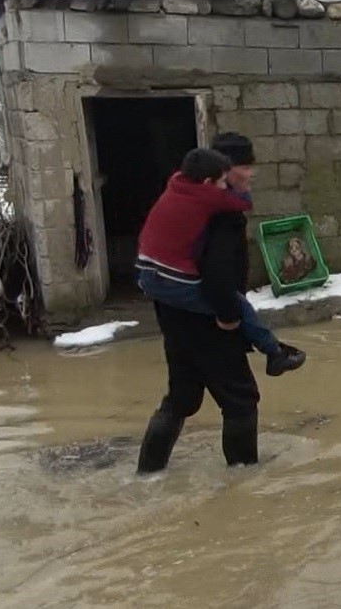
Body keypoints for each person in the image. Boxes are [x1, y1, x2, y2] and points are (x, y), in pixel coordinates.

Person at [136, 133, 271, 474]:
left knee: (182, 396)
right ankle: (243, 483)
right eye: (245, 166)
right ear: (225, 172)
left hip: (173, 312)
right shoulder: (222, 214)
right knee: (241, 399)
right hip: (209, 316)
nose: (250, 174)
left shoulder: (184, 194)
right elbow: (218, 274)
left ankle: (148, 473)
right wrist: (228, 317)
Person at [134, 147, 305, 377]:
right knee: (235, 306)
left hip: (146, 272)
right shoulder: (207, 196)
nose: (228, 185)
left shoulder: (175, 185)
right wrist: (228, 315)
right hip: (171, 279)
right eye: (225, 181)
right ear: (207, 181)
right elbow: (241, 203)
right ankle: (274, 352)